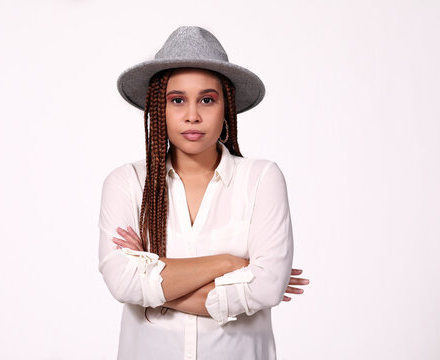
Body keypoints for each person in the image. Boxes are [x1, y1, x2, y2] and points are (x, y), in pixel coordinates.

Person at [98, 26, 309, 360]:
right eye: (177, 100)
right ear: (158, 108)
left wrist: (152, 283)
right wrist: (231, 264)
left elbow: (268, 288)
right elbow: (122, 283)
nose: (192, 115)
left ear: (226, 107)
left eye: (207, 100)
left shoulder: (261, 179)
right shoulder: (126, 183)